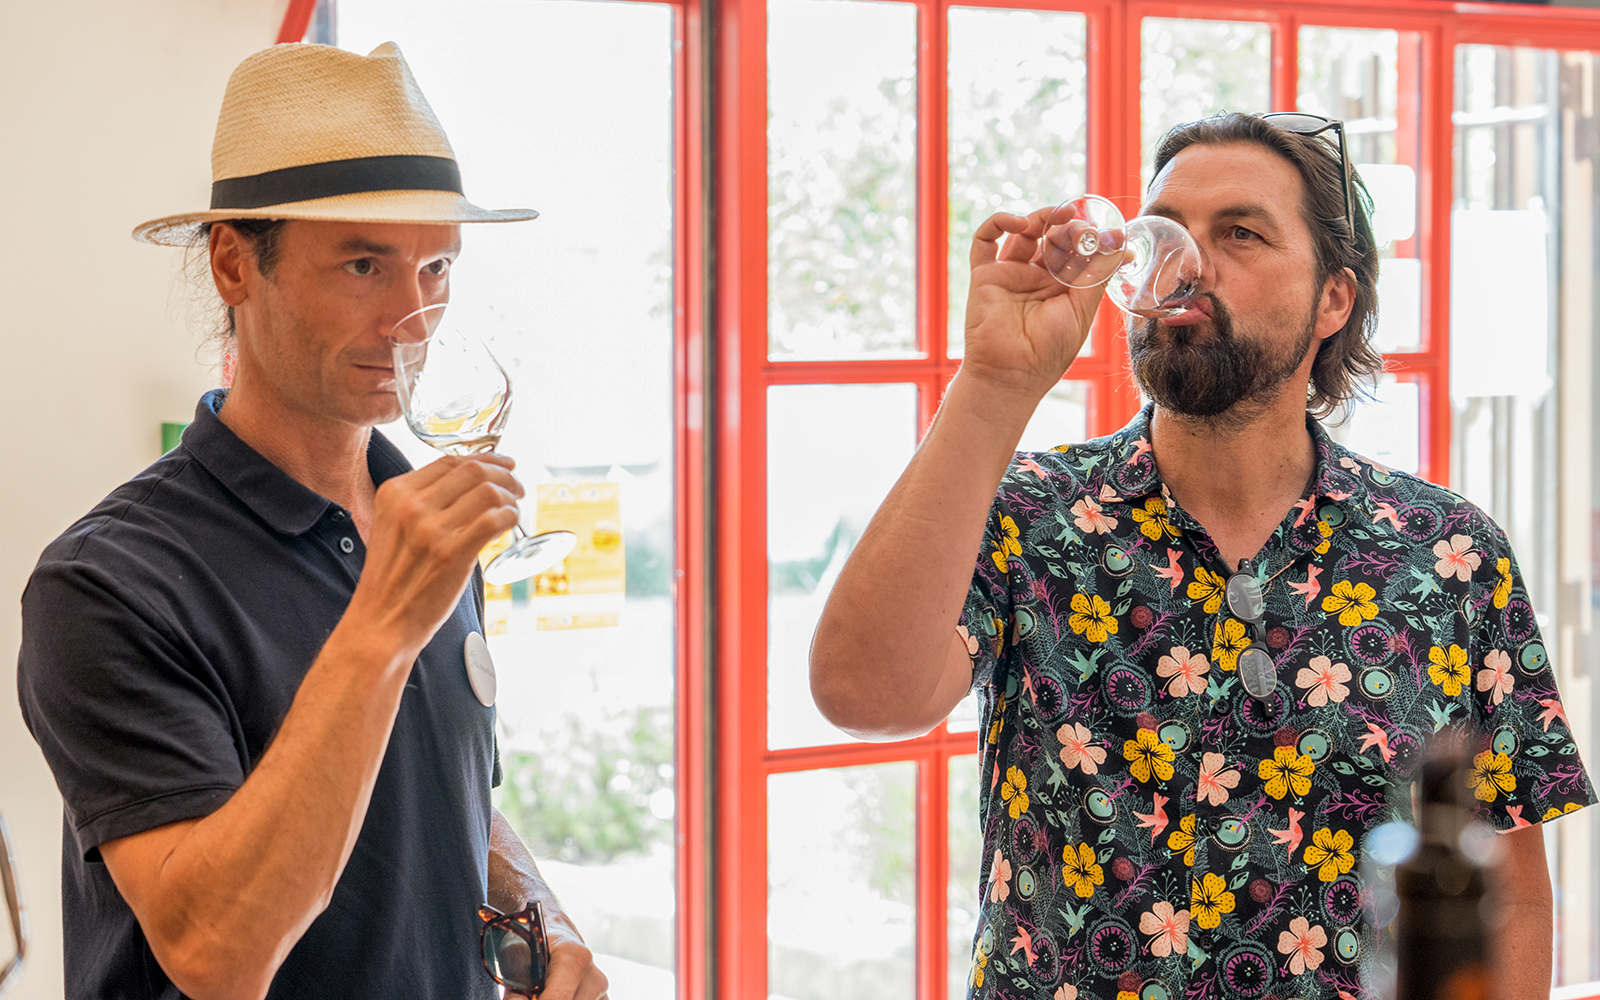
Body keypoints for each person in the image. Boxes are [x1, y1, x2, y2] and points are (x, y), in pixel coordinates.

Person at [810, 112, 1596, 999]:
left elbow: (1510, 894)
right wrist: (994, 382)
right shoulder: (1029, 513)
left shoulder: (1445, 550)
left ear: (1333, 299)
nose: (1186, 264)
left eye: (1241, 234)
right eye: (1170, 231)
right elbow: (860, 693)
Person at [16, 42, 608, 1000]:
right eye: (365, 265)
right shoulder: (108, 582)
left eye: (437, 268)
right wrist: (381, 621)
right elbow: (216, 953)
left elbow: (438, 797)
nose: (414, 317)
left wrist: (539, 919)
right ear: (232, 266)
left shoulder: (422, 524)